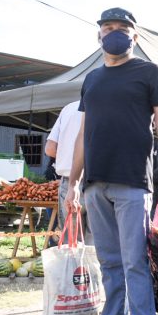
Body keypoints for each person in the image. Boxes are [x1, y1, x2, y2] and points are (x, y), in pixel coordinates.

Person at [65, 7, 158, 315]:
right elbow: (84, 133)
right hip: (95, 184)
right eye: (108, 27)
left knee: (135, 263)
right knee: (110, 264)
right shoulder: (92, 79)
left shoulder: (148, 72)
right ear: (98, 34)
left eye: (122, 28)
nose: (114, 32)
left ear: (135, 35)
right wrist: (72, 182)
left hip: (133, 181)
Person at [45, 101, 92, 246]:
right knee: (97, 243)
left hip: (68, 181)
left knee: (71, 243)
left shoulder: (68, 108)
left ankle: (74, 269)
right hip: (98, 181)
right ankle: (93, 269)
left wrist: (69, 155)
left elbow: (50, 149)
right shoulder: (109, 104)